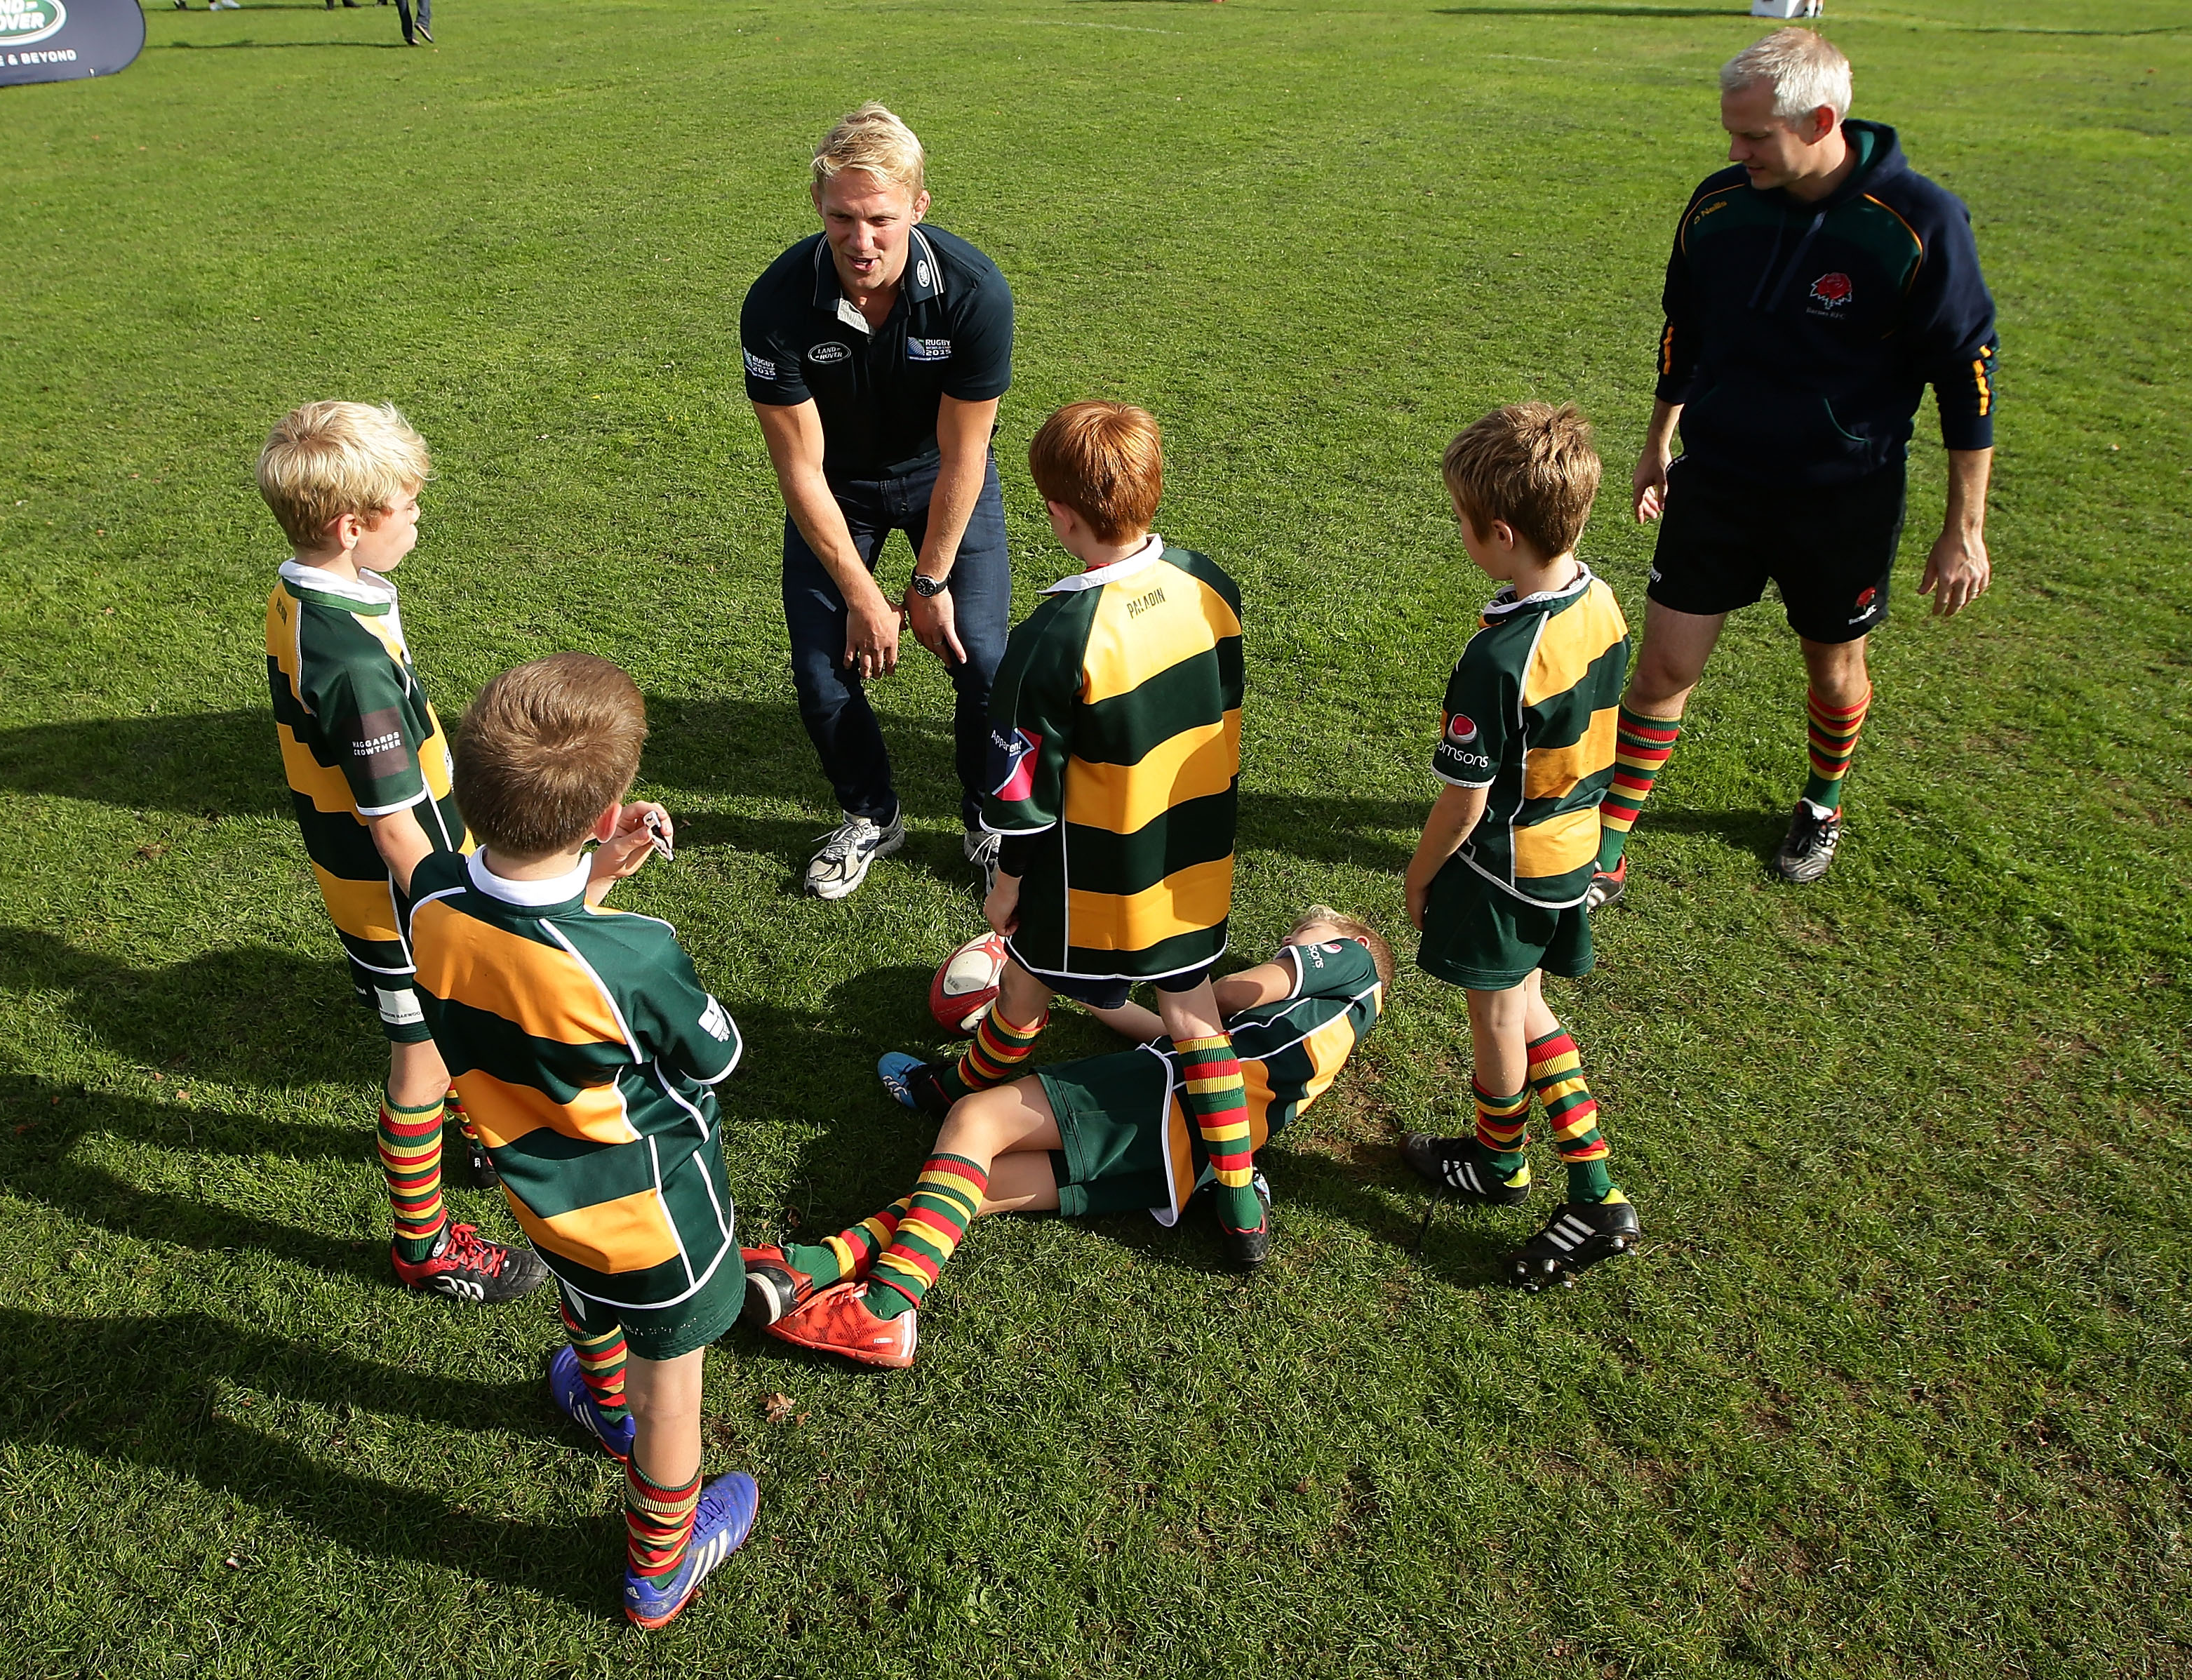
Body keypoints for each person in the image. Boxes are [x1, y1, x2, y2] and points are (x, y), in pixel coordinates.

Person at [1591, 28, 2000, 900]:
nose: (1734, 154)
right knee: (1664, 665)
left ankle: (1822, 801)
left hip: (1841, 498)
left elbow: (1967, 376)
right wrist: (1659, 439)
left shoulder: (1917, 222)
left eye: (1753, 138)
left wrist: (1964, 529)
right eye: (1730, 133)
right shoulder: (1720, 206)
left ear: (1820, 120)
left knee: (1832, 669)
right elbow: (1684, 331)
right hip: (1721, 477)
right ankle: (1609, 843)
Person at [400, 654, 756, 1628]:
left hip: (539, 1188)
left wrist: (585, 880)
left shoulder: (430, 893)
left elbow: (524, 964)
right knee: (671, 1394)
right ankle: (659, 1570)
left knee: (581, 1295)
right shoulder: (634, 953)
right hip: (656, 1218)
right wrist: (601, 898)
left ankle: (602, 1404)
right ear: (607, 815)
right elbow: (715, 1057)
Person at [876, 401, 1267, 1269]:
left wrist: (1009, 884)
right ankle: (1241, 1202)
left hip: (1091, 875)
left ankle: (956, 1083)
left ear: (1060, 516)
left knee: (1024, 984)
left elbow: (1020, 796)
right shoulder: (1211, 583)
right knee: (1192, 1010)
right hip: (1191, 856)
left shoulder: (1053, 637)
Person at [747, 908, 1389, 1367]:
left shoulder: (1353, 963)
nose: (1283, 944)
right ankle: (816, 1266)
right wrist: (1082, 988)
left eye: (1299, 936)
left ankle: (884, 1309)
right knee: (982, 1185)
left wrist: (1194, 974)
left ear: (1350, 942)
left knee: (976, 1120)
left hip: (1167, 1090)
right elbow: (1160, 1026)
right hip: (1190, 1158)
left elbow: (1212, 1000)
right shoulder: (1315, 1037)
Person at [257, 401, 545, 1305]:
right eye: (409, 508)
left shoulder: (307, 592)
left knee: (451, 1025)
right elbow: (390, 821)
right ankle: (425, 1242)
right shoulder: (350, 663)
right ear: (353, 527)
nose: (420, 521)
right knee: (419, 1052)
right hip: (397, 894)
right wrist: (447, 910)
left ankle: (480, 1130)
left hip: (388, 878)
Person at [740, 102, 1016, 901]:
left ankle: (987, 816)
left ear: (919, 207)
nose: (862, 243)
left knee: (985, 660)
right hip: (839, 490)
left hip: (943, 477)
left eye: (882, 220)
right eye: (842, 220)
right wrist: (865, 596)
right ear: (819, 209)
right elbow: (800, 471)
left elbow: (968, 451)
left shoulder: (974, 292)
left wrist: (926, 587)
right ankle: (872, 814)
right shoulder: (778, 303)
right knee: (822, 670)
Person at [1399, 403, 1643, 1291]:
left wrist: (1422, 873)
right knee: (1529, 1003)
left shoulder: (1501, 656)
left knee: (1497, 1014)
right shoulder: (1600, 596)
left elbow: (1465, 800)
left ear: (1500, 533)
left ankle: (1532, 1173)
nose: (1460, 534)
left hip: (1503, 865)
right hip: (1573, 849)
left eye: (1463, 523)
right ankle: (1542, 1166)